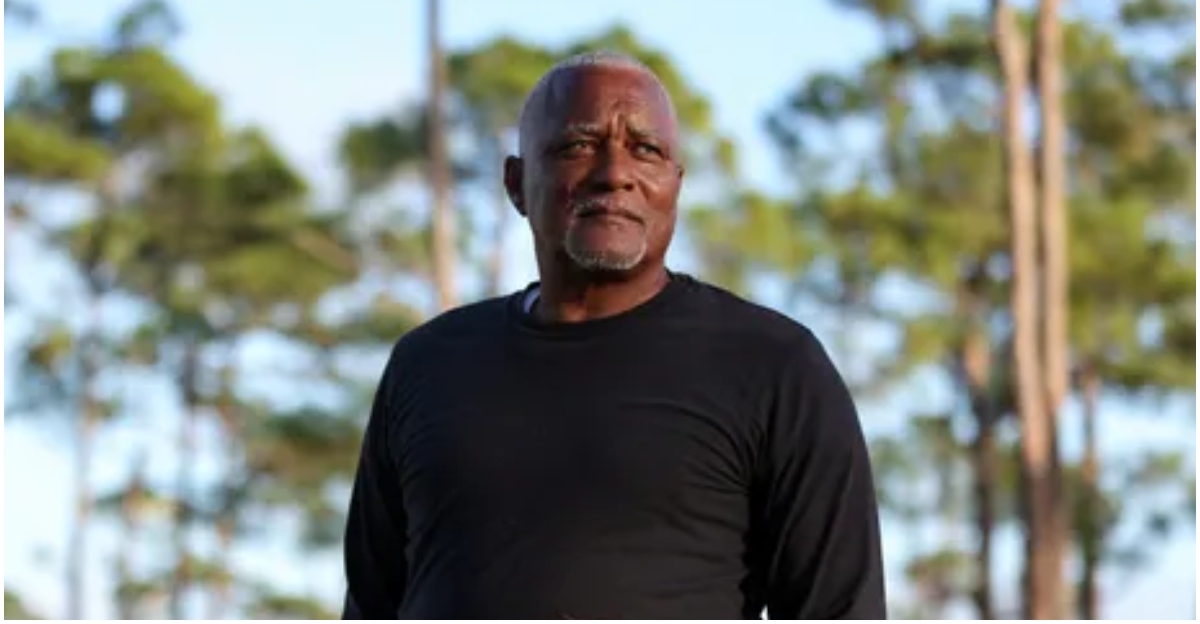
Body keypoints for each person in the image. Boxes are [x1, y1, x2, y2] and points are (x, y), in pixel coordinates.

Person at [341, 51, 887, 620]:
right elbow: (370, 602)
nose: (615, 173)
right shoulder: (427, 364)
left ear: (675, 184)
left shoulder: (776, 367)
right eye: (578, 146)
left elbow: (842, 608)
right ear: (516, 183)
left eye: (646, 150)